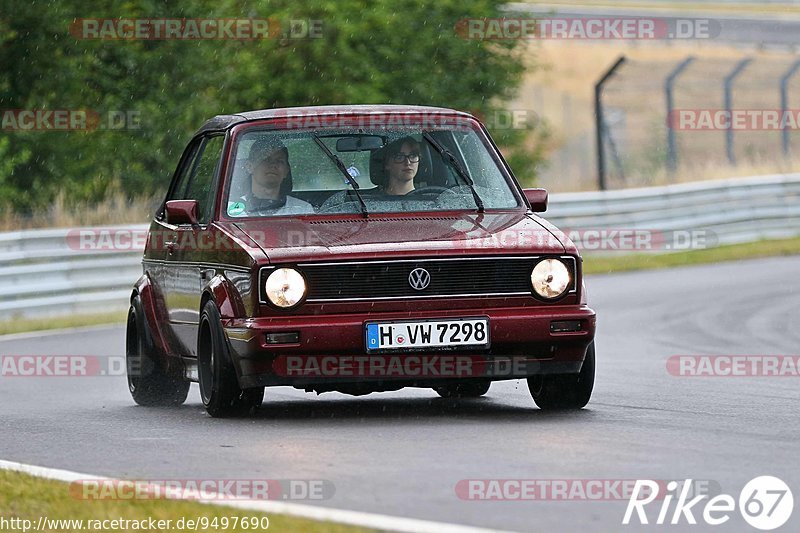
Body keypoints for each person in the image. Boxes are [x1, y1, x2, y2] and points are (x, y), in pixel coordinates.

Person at [228, 137, 314, 216]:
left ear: (286, 171)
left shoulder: (303, 210)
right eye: (266, 159)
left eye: (279, 161)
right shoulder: (231, 211)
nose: (273, 165)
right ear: (249, 166)